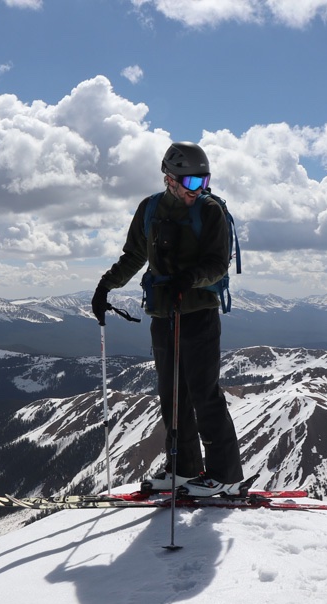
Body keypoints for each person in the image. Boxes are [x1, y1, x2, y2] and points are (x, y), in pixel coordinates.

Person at [91, 141, 244, 497]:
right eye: (191, 183)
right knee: (172, 394)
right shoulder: (150, 209)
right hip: (162, 312)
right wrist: (105, 286)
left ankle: (226, 475)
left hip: (198, 313)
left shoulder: (210, 212)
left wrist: (190, 279)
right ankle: (184, 467)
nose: (199, 191)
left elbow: (218, 264)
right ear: (169, 179)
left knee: (204, 392)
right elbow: (134, 256)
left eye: (204, 183)